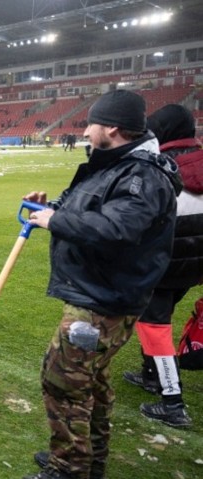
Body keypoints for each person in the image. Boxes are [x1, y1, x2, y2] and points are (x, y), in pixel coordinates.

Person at [21, 90, 181, 479]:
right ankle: (86, 459)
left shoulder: (142, 174)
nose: (86, 130)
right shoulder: (114, 166)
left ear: (111, 127)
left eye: (90, 123)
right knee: (91, 380)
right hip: (99, 292)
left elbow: (118, 229)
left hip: (105, 300)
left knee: (64, 380)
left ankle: (69, 472)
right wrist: (50, 207)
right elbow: (87, 209)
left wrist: (55, 220)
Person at [121, 103, 202, 428]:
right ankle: (151, 375)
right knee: (157, 317)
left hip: (164, 259)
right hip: (195, 261)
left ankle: (173, 401)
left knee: (154, 327)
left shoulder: (161, 166)